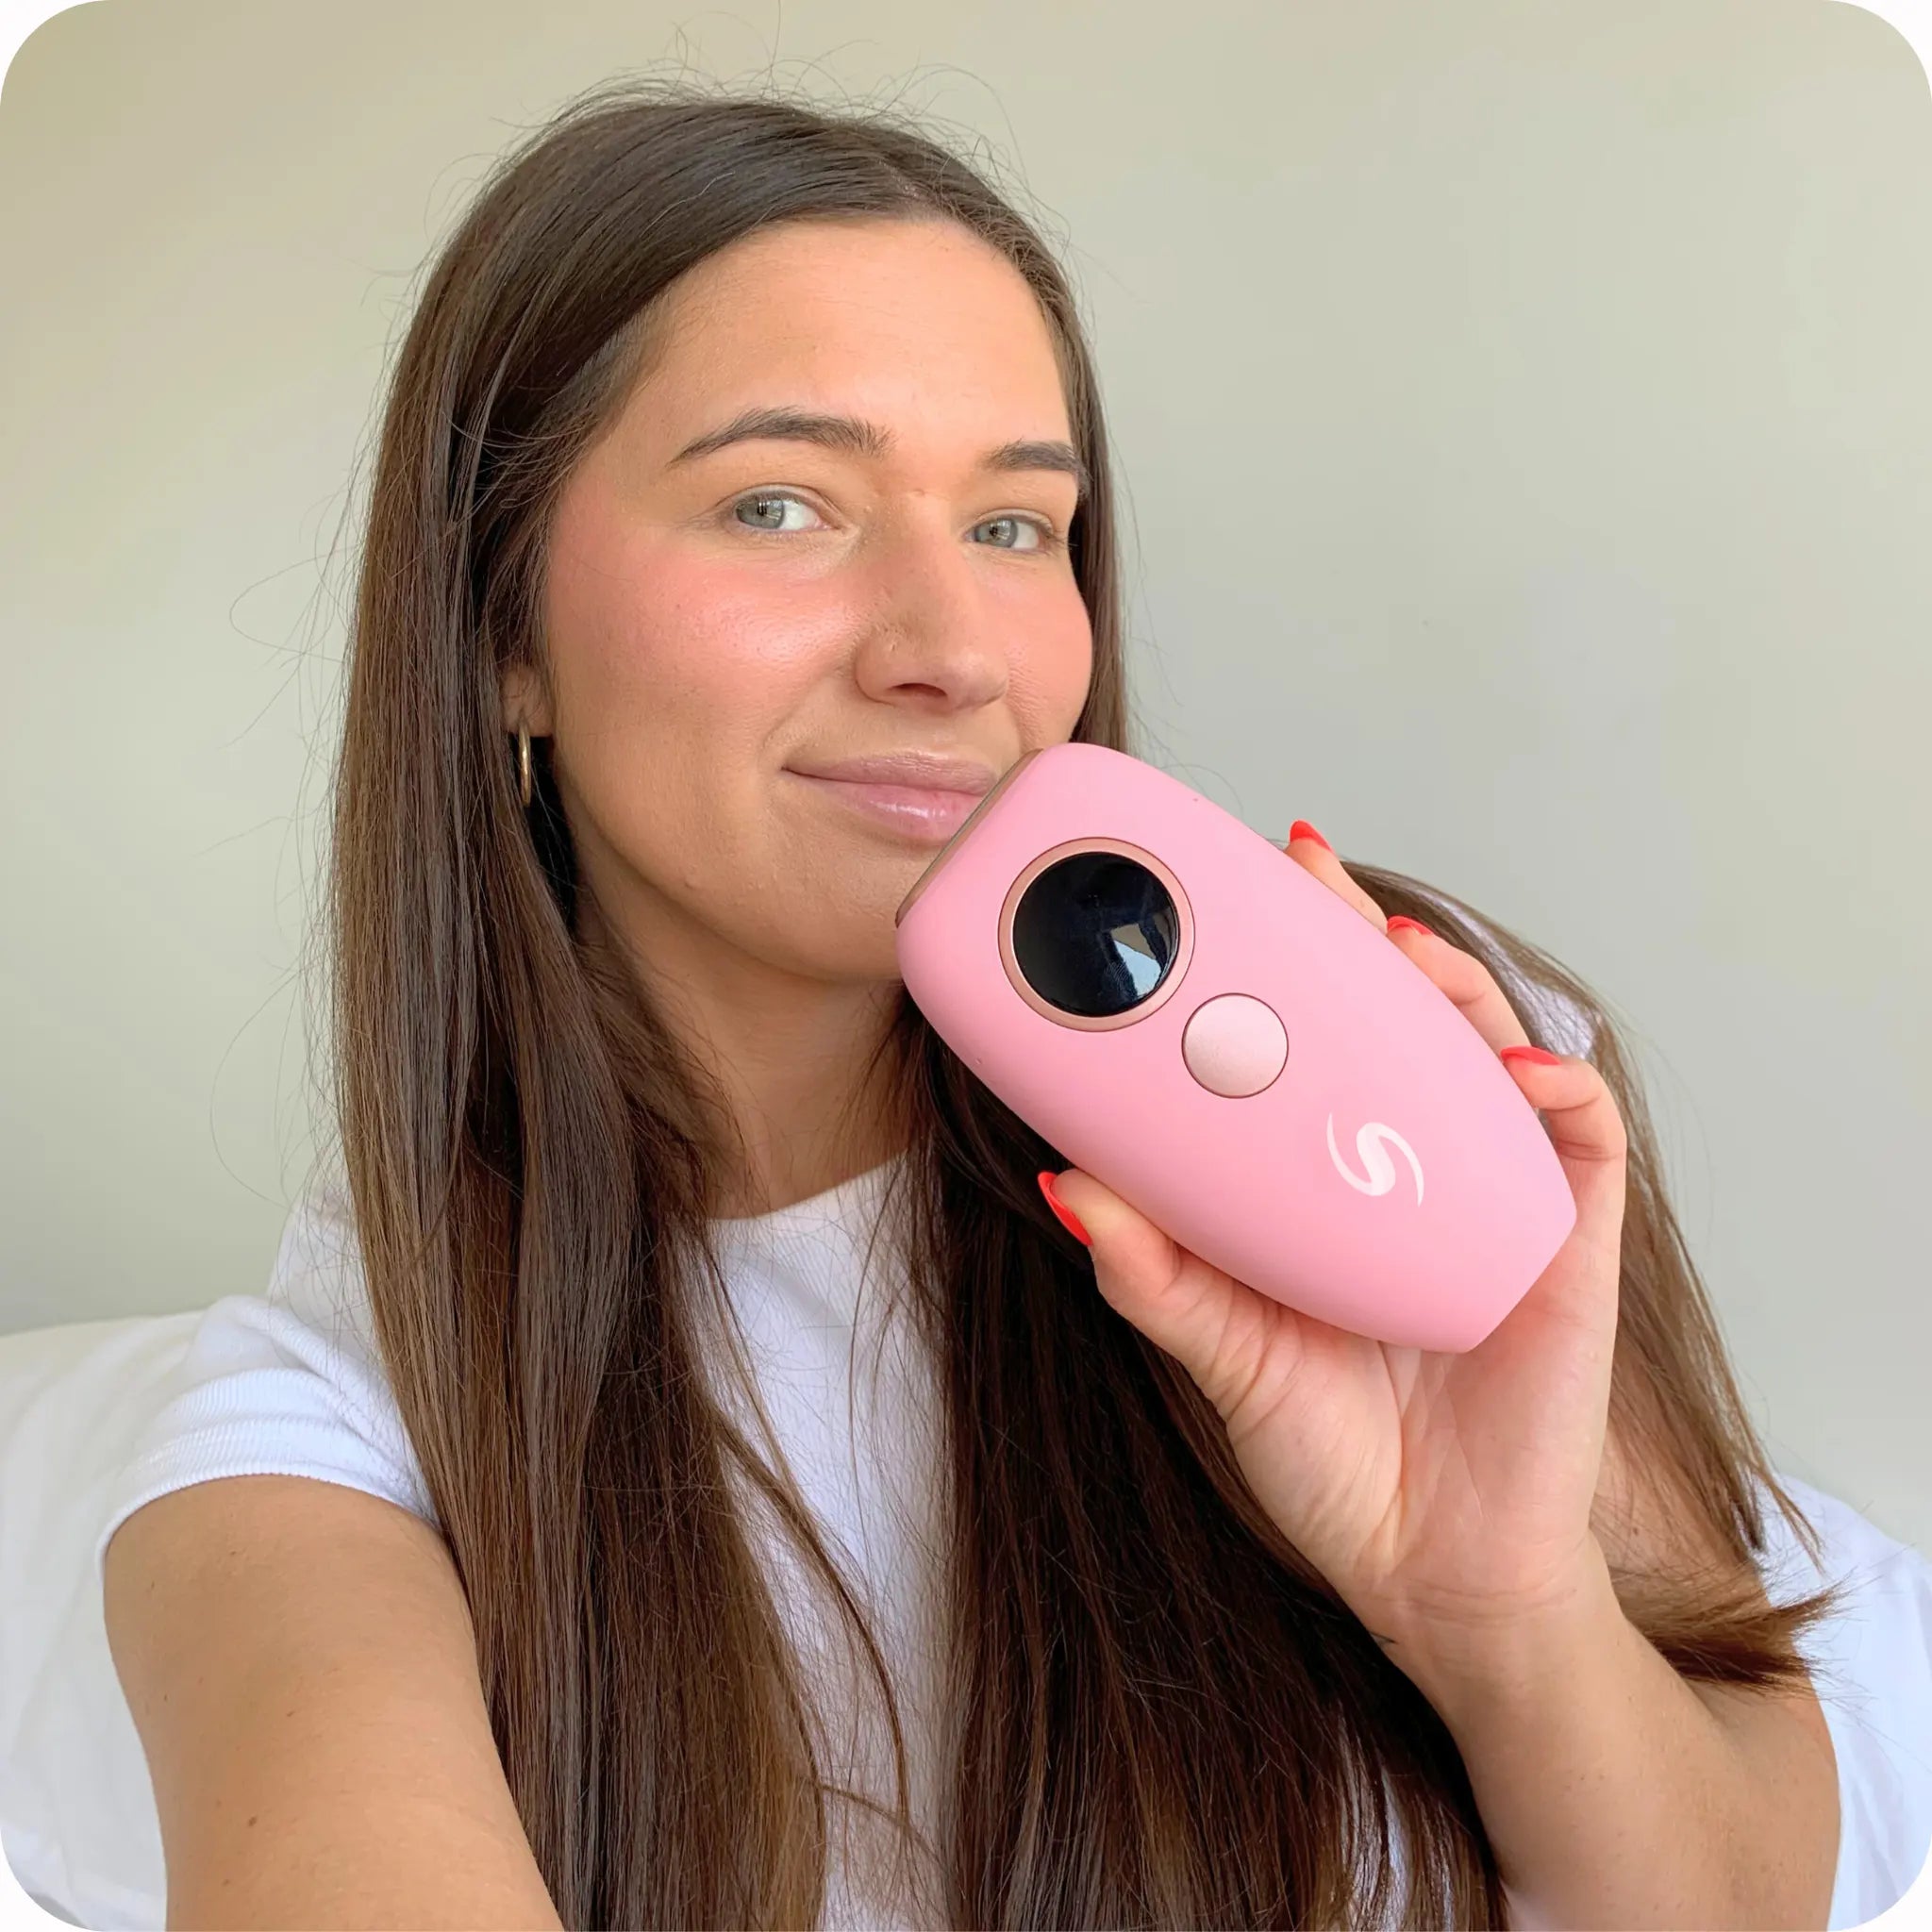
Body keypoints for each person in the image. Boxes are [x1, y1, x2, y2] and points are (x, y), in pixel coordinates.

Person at [92, 76, 1907, 1932]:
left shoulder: (1384, 1050)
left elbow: (1746, 1893)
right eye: (779, 505)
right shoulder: (356, 1403)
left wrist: (1498, 1607)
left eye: (1020, 527)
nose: (952, 653)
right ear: (502, 637)